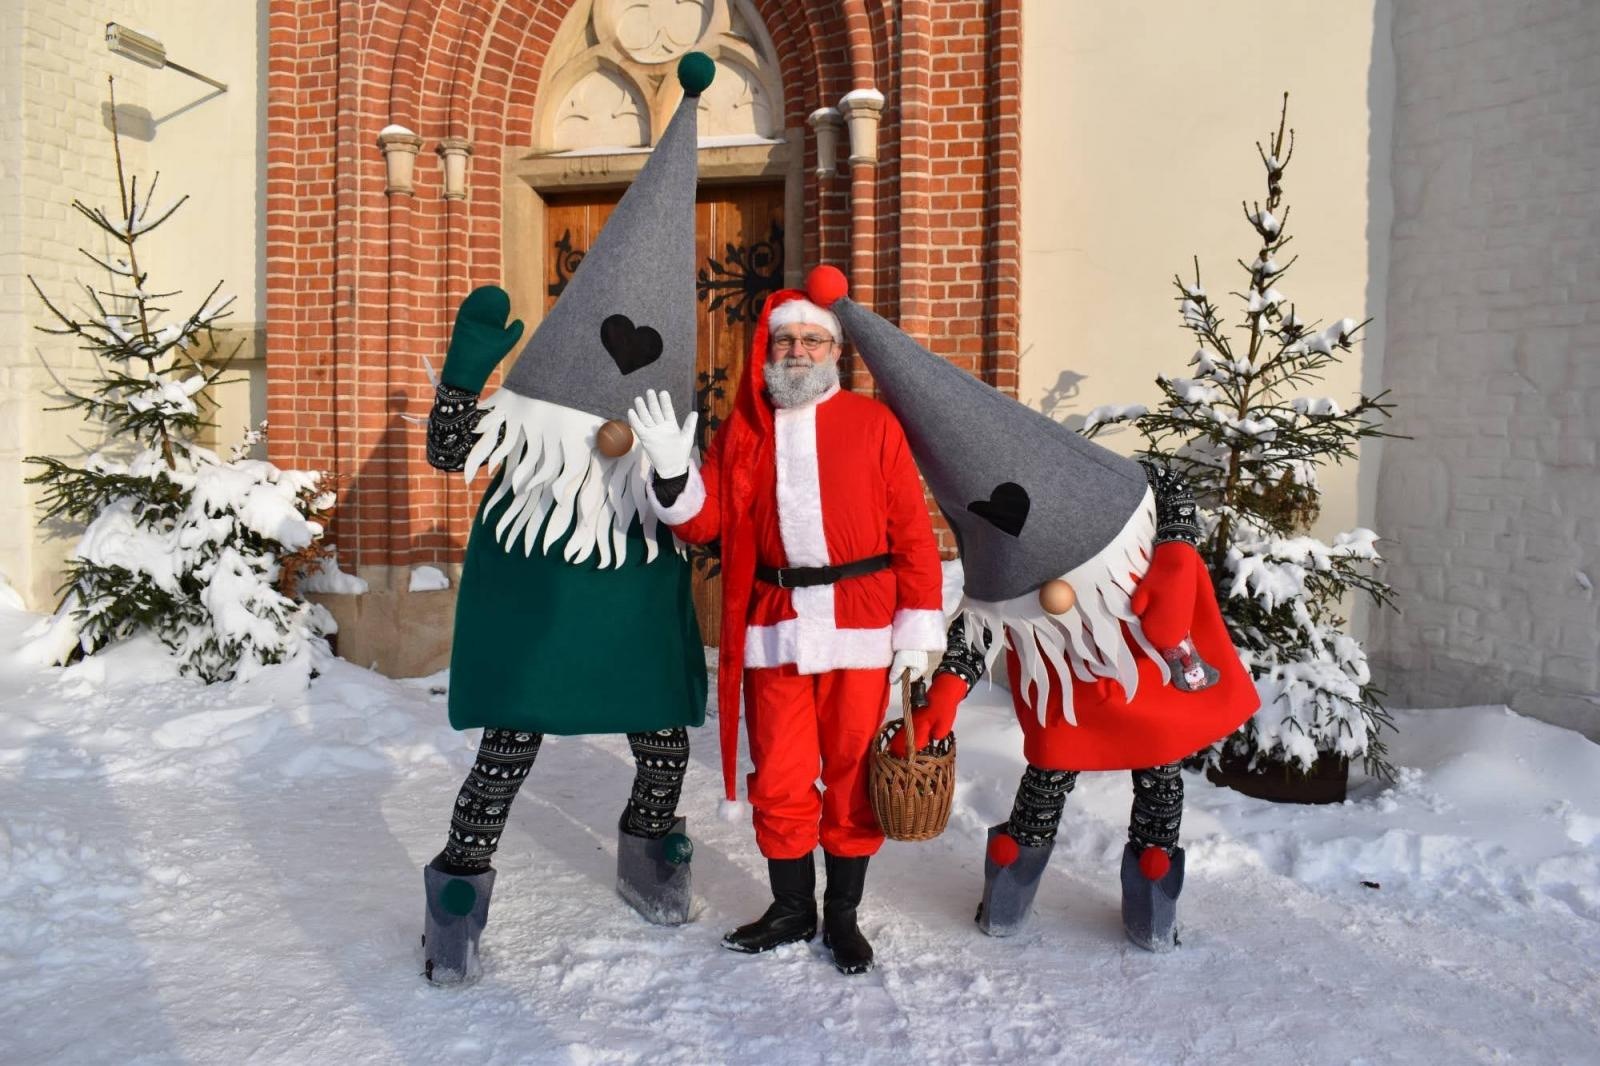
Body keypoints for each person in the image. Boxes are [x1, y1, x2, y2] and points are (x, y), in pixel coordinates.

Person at [805, 265, 1259, 951]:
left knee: (1158, 777)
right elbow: (979, 629)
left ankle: (1150, 903)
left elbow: (1164, 480)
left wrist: (1174, 551)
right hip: (1067, 689)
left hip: (1139, 662)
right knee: (1048, 778)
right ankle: (1012, 890)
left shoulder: (1086, 483)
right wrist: (945, 694)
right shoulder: (1002, 561)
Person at [417, 54, 717, 984]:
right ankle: (458, 893)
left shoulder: (660, 442)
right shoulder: (531, 430)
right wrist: (464, 378)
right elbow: (449, 453)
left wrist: (670, 470)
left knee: (664, 735)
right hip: (539, 606)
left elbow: (693, 515)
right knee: (508, 745)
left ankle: (647, 840)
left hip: (630, 600)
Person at [628, 285, 946, 975]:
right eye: (785, 342)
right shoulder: (746, 430)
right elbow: (703, 523)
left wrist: (918, 628)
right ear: (767, 351)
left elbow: (913, 536)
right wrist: (674, 470)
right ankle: (792, 908)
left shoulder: (874, 425)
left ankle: (842, 916)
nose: (797, 352)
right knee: (779, 776)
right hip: (776, 627)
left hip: (861, 626)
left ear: (836, 352)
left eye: (812, 341)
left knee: (853, 777)